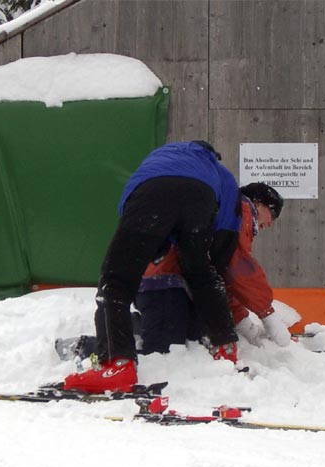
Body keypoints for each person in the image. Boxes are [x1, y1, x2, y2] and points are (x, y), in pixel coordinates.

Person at [63, 141, 242, 393]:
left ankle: (117, 364)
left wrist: (148, 249)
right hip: (201, 197)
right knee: (201, 272)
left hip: (152, 194)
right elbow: (227, 220)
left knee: (115, 279)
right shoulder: (214, 168)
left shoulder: (158, 159)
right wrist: (215, 260)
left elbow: (129, 207)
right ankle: (226, 350)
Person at [136, 183, 291, 354]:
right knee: (164, 357)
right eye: (273, 214)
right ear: (258, 203)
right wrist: (268, 314)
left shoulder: (226, 209)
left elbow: (222, 277)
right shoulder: (242, 211)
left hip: (172, 286)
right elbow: (239, 269)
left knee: (187, 352)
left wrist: (241, 320)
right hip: (168, 286)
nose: (271, 224)